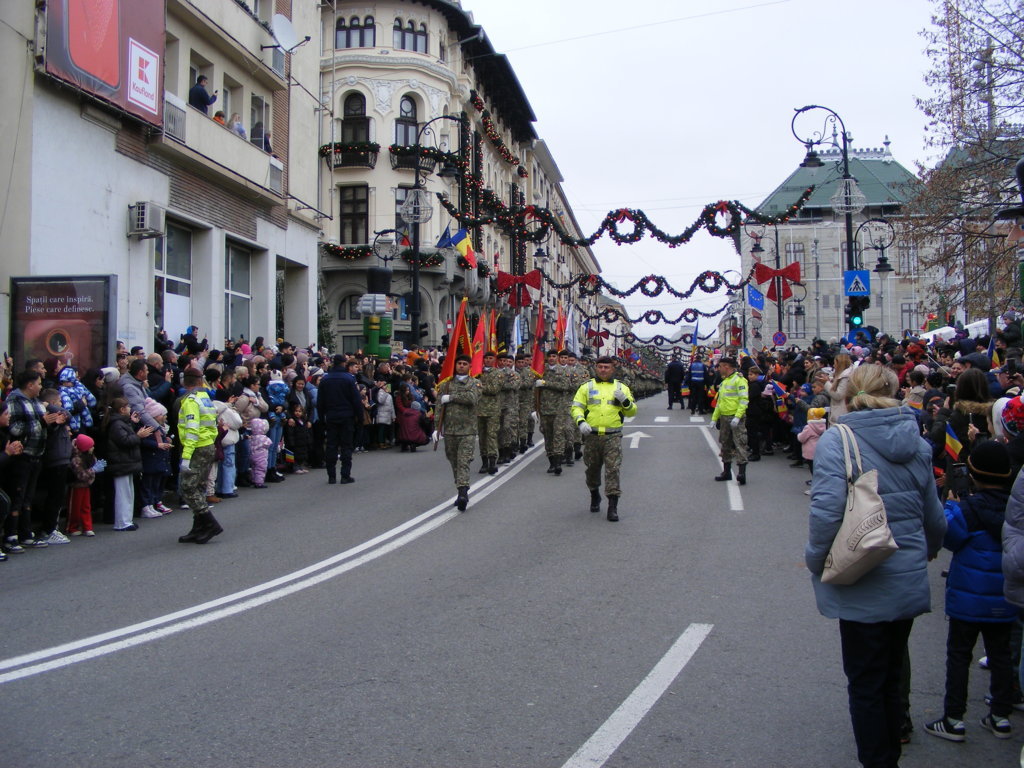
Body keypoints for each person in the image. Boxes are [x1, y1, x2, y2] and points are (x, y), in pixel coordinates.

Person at [806, 364, 947, 768]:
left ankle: (879, 760)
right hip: (904, 570)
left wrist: (817, 561)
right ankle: (894, 742)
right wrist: (930, 548)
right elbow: (932, 511)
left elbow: (827, 512)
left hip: (861, 571)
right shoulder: (915, 439)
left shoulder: (839, 438)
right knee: (891, 668)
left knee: (865, 680)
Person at [925, 440, 1016, 742]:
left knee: (959, 656)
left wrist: (951, 503)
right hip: (1005, 593)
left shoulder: (968, 509)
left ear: (973, 474)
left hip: (967, 595)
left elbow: (948, 537)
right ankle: (1001, 715)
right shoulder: (1017, 511)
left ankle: (954, 718)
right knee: (1001, 654)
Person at [571, 356, 638, 522]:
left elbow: (632, 412)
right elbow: (576, 407)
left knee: (612, 469)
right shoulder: (586, 387)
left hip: (612, 436)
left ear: (612, 369)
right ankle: (594, 493)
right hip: (592, 436)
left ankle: (612, 506)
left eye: (606, 367)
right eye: (600, 367)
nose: (603, 370)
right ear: (595, 368)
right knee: (592, 469)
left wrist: (625, 401)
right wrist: (580, 422)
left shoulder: (621, 387)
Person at [175, 368, 222, 544]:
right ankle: (198, 527)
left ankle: (209, 523)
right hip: (208, 444)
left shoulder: (190, 401)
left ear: (185, 382)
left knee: (188, 487)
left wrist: (186, 456)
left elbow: (192, 429)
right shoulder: (205, 398)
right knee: (199, 487)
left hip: (197, 447)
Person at [437, 355, 480, 511]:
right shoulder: (446, 384)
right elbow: (439, 407)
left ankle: (463, 492)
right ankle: (460, 489)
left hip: (468, 430)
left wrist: (452, 397)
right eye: (459, 364)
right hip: (450, 430)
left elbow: (472, 398)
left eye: (464, 364)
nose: (461, 366)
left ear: (469, 366)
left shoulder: (474, 383)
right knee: (454, 461)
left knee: (463, 461)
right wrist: (436, 428)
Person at [104, 396, 153, 531]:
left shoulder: (121, 423)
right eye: (127, 407)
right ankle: (122, 522)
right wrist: (138, 436)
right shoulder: (116, 424)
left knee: (128, 491)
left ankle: (127, 519)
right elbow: (124, 441)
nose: (130, 409)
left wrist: (132, 424)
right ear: (121, 409)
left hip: (126, 462)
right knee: (123, 493)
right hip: (121, 462)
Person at [317, 353, 362, 484]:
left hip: (331, 415)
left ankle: (331, 476)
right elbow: (356, 400)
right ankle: (345, 475)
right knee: (346, 445)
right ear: (343, 364)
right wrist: (359, 417)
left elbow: (320, 402)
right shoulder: (349, 379)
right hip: (347, 415)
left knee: (331, 445)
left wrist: (321, 417)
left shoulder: (325, 379)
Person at [711, 357, 749, 485]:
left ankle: (742, 473)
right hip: (724, 417)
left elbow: (744, 400)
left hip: (735, 417)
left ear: (727, 366)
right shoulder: (724, 382)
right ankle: (726, 472)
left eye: (720, 366)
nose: (719, 368)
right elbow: (719, 402)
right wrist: (714, 418)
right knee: (725, 444)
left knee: (740, 443)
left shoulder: (739, 380)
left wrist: (738, 416)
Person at [536, 349, 570, 476]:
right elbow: (536, 390)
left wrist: (545, 383)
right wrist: (536, 409)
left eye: (554, 356)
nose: (551, 358)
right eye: (549, 356)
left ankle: (558, 463)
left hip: (559, 409)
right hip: (545, 409)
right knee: (547, 435)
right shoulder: (540, 370)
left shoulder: (563, 371)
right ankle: (551, 461)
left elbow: (565, 386)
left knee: (558, 435)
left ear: (558, 357)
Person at [67, 433, 101, 536]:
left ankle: (87, 526)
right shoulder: (76, 459)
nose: (92, 448)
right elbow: (81, 475)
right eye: (91, 446)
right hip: (77, 486)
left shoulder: (89, 456)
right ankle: (72, 527)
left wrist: (96, 465)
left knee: (86, 506)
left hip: (86, 485)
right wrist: (94, 470)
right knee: (75, 507)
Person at [476, 351, 502, 475]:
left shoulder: (497, 373)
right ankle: (484, 462)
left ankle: (492, 462)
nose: (488, 360)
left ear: (494, 360)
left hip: (492, 410)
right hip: (479, 410)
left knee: (491, 436)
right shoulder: (477, 372)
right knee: (482, 437)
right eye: (486, 358)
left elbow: (494, 389)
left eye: (490, 358)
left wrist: (479, 386)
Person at [248, 418, 272, 488]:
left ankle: (253, 479)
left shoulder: (252, 437)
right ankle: (259, 482)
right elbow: (269, 443)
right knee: (260, 469)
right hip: (261, 457)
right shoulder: (264, 438)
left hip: (252, 455)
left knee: (253, 468)